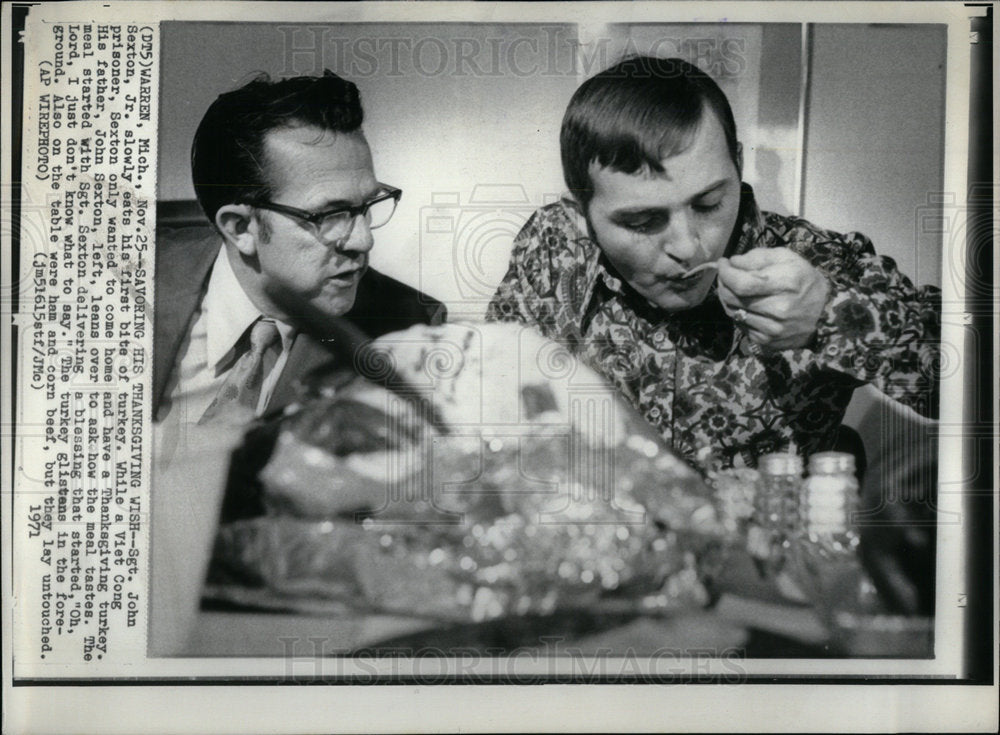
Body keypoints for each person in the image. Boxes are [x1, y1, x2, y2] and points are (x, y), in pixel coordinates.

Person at [486, 56, 940, 473]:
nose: (689, 247)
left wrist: (833, 317)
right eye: (643, 220)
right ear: (579, 216)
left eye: (709, 203)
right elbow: (486, 394)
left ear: (738, 165)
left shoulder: (817, 264)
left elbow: (979, 382)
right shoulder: (552, 247)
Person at [153, 70, 445, 431]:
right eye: (329, 215)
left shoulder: (409, 327)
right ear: (240, 228)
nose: (363, 240)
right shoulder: (127, 276)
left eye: (366, 206)